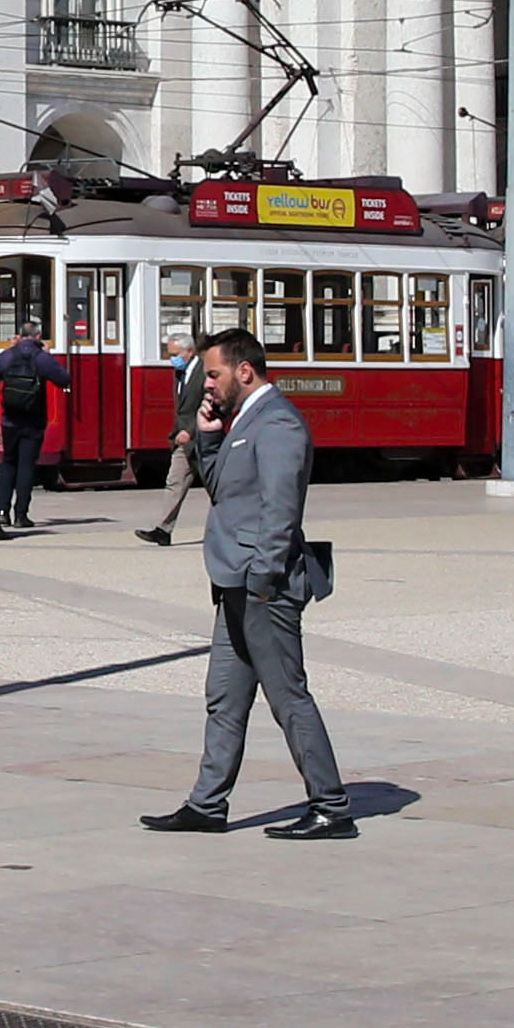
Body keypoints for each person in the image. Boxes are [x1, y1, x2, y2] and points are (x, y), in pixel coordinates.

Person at [140, 330, 354, 840]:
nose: (206, 385)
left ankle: (331, 806)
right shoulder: (245, 422)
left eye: (212, 374)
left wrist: (262, 579)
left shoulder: (277, 424)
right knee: (224, 698)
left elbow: (280, 512)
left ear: (243, 371)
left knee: (288, 698)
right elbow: (225, 491)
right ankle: (207, 805)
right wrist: (209, 436)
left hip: (263, 587)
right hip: (235, 583)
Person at [0, 320, 60, 534]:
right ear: (38, 336)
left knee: (8, 463)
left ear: (20, 335)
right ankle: (21, 515)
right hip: (34, 418)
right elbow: (63, 378)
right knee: (27, 466)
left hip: (10, 418)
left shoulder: (9, 355)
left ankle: (2, 512)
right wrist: (48, 356)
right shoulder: (41, 357)